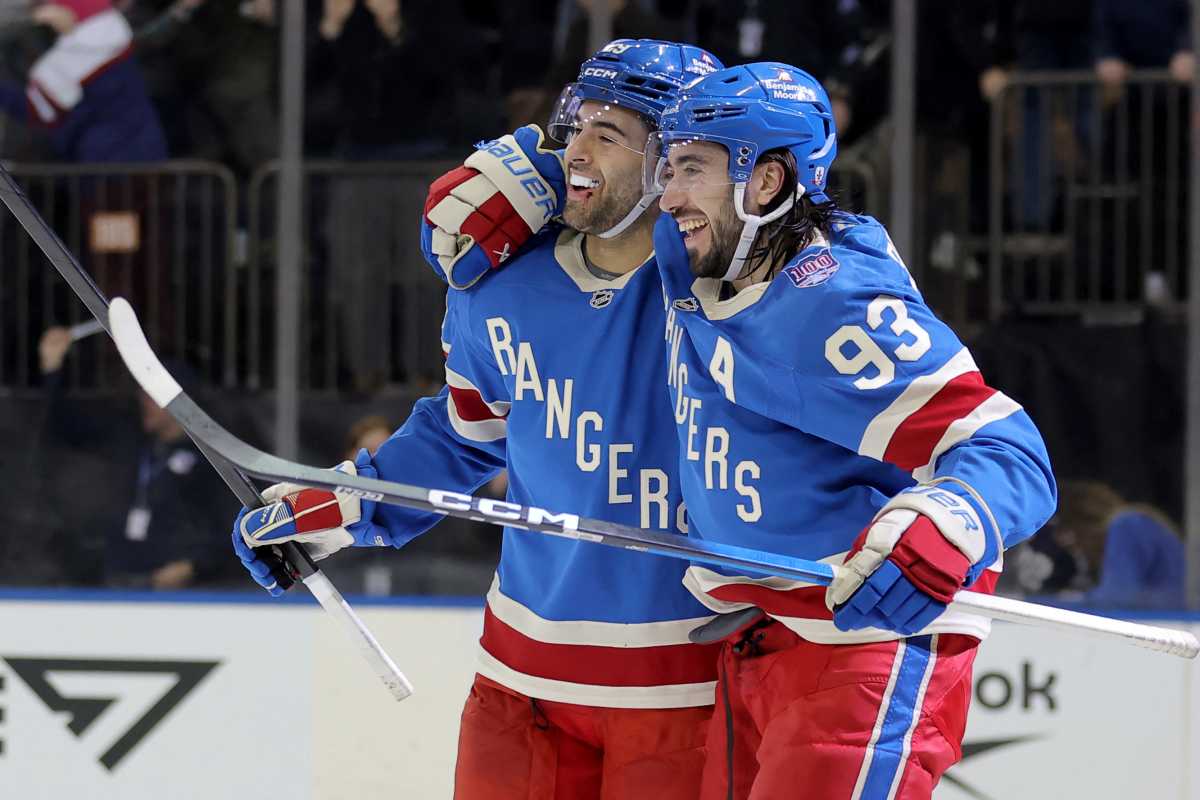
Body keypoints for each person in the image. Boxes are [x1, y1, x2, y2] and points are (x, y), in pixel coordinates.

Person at [231, 40, 727, 800]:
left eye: (610, 133)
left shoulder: (728, 287)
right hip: (519, 678)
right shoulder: (501, 284)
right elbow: (463, 435)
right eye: (576, 125)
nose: (576, 151)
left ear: (674, 163)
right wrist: (331, 510)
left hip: (681, 685)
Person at [645, 62, 1056, 799]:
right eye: (668, 167)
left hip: (864, 647)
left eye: (691, 170)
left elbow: (1011, 453)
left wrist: (944, 524)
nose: (669, 195)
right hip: (759, 637)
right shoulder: (698, 256)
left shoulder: (836, 304)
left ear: (766, 183)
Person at [39, 325, 236, 589]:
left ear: (181, 399)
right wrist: (53, 370)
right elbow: (64, 426)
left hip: (182, 592)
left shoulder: (210, 462)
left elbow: (231, 525)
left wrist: (193, 566)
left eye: (153, 395)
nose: (143, 400)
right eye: (143, 392)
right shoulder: (129, 440)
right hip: (119, 579)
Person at [0, 0, 166, 162]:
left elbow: (39, 111)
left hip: (105, 157)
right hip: (145, 147)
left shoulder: (78, 55)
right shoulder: (115, 39)